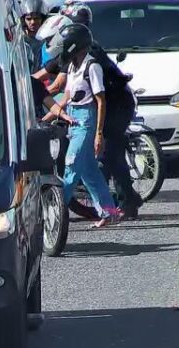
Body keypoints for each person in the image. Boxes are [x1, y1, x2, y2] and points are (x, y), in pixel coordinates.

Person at [46, 23, 123, 227]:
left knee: (71, 168)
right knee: (90, 172)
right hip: (73, 118)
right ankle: (108, 212)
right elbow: (68, 97)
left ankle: (54, 215)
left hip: (87, 121)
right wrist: (51, 115)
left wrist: (98, 134)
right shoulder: (72, 67)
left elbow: (101, 101)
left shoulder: (92, 66)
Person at [20, 0, 48, 72]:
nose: (33, 22)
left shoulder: (48, 39)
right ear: (23, 20)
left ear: (42, 19)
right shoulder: (19, 39)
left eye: (36, 18)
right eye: (28, 19)